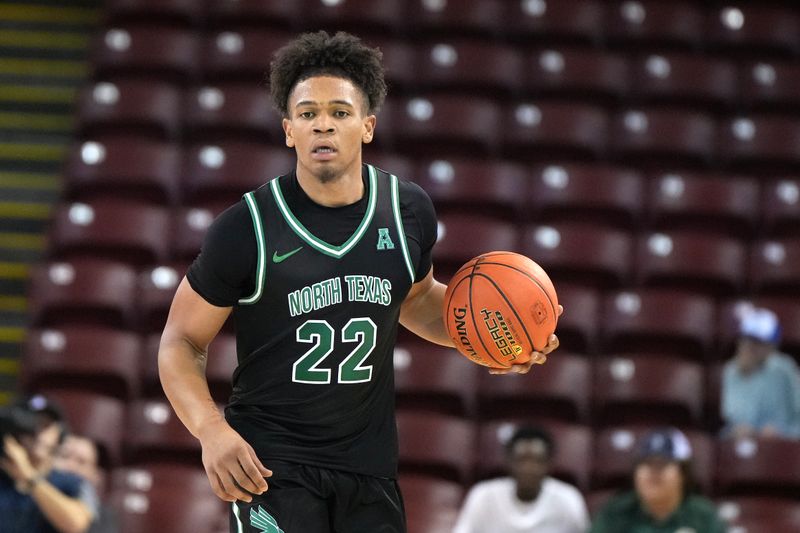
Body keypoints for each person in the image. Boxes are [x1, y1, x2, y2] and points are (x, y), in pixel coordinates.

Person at [158, 30, 561, 533]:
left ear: (367, 126)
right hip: (272, 466)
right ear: (288, 130)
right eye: (307, 114)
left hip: (369, 468)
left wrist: (495, 337)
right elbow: (181, 341)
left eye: (340, 113)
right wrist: (211, 432)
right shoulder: (246, 227)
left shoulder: (407, 210)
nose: (322, 124)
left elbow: (414, 302)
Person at [452, 425, 589, 533]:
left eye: (537, 460)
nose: (528, 467)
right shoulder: (483, 496)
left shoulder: (568, 499)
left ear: (549, 464)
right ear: (509, 461)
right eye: (522, 459)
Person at [590, 428, 726, 533]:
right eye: (646, 464)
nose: (653, 472)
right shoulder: (615, 513)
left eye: (662, 464)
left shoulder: (704, 516)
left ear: (683, 473)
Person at [0, 395, 97, 533]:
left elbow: (76, 524)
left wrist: (29, 476)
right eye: (33, 425)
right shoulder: (3, 479)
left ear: (60, 435)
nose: (38, 433)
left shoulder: (73, 483)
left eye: (46, 426)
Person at [721, 305, 800, 439]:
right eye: (746, 340)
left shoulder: (785, 369)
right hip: (741, 445)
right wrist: (738, 431)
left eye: (757, 342)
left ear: (772, 347)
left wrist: (782, 433)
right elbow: (730, 416)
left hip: (782, 447)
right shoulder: (730, 370)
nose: (749, 347)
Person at [53, 435, 119, 533]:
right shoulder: (32, 499)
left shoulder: (104, 518)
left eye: (81, 462)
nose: (70, 466)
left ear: (96, 476)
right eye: (64, 456)